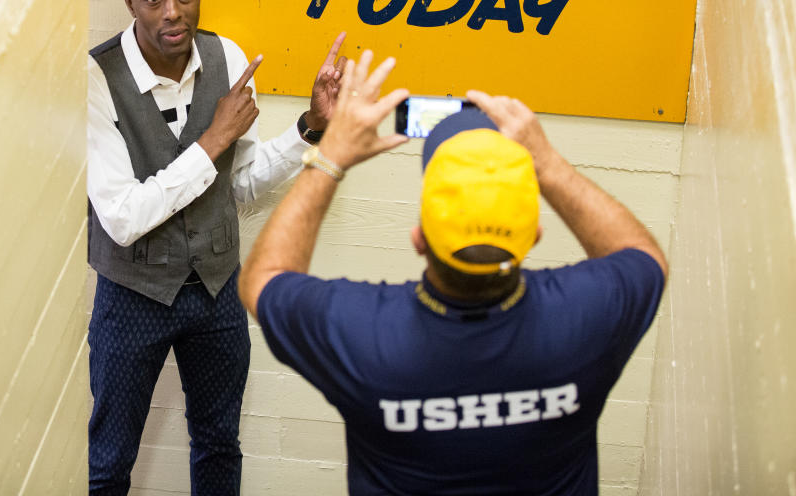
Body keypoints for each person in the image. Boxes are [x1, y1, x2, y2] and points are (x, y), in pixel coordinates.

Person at [239, 51, 668, 495]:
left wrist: (330, 156)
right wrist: (547, 163)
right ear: (535, 235)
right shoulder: (585, 319)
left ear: (419, 239)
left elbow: (263, 277)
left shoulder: (365, 334)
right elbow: (641, 254)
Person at [87, 0, 347, 495]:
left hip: (216, 289)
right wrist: (211, 142)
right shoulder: (96, 78)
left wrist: (310, 126)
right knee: (109, 463)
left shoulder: (227, 57)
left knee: (219, 445)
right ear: (130, 2)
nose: (172, 11)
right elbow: (123, 218)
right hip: (134, 293)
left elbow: (243, 185)